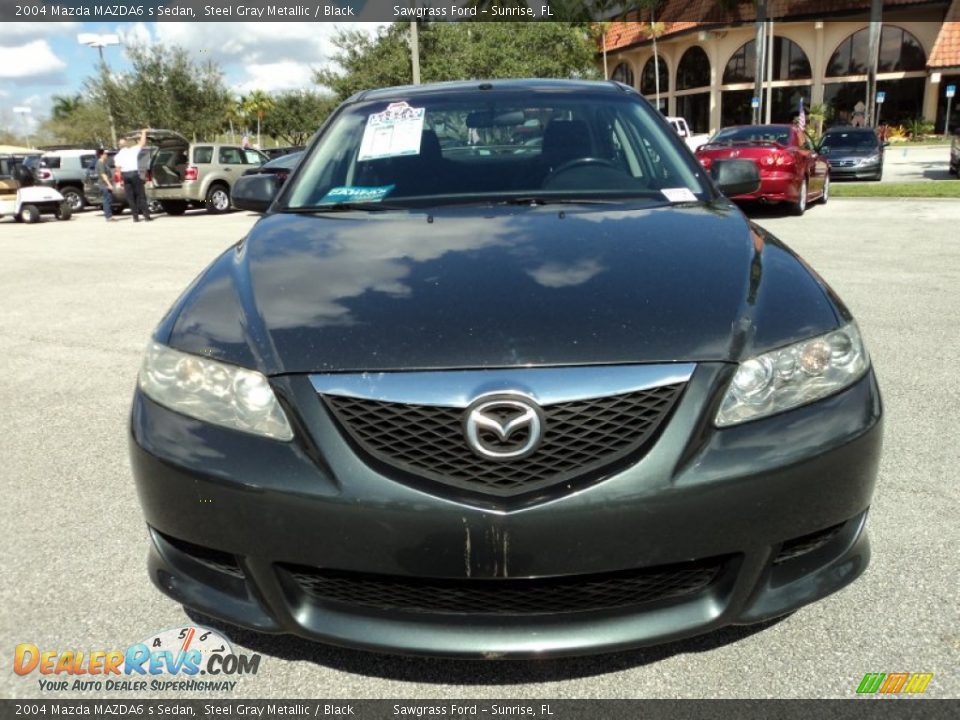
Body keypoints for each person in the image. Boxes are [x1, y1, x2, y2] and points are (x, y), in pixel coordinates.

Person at [115, 129, 152, 222]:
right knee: (141, 195)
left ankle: (135, 217)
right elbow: (142, 143)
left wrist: (119, 182)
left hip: (125, 175)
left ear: (119, 146)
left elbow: (118, 170)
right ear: (127, 144)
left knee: (130, 197)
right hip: (134, 174)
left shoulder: (117, 156)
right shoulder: (132, 150)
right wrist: (144, 133)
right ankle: (146, 216)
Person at [94, 148, 117, 222]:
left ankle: (109, 216)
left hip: (105, 184)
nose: (106, 155)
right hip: (104, 185)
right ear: (101, 155)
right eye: (105, 153)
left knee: (108, 199)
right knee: (107, 200)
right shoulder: (100, 163)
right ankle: (108, 217)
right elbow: (103, 175)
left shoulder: (103, 163)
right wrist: (109, 184)